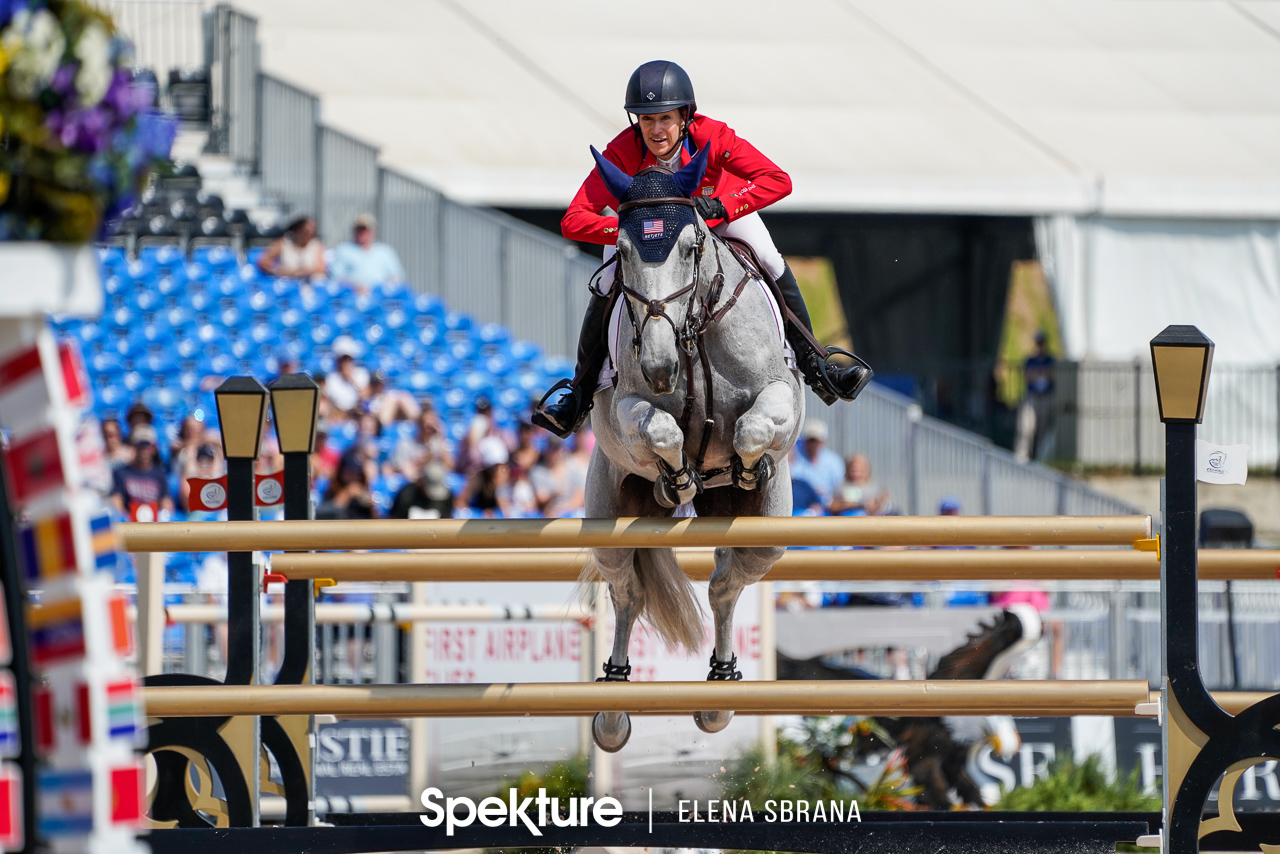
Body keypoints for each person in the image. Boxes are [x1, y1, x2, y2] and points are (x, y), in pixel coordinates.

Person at [533, 60, 871, 437]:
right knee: (608, 277)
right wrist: (635, 228)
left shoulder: (714, 137)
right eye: (647, 121)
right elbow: (574, 219)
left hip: (717, 215)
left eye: (664, 118)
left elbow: (777, 179)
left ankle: (815, 362)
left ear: (684, 116)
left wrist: (725, 206)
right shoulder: (622, 151)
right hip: (648, 237)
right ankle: (580, 392)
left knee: (769, 258)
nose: (656, 130)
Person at [110, 424, 174, 519]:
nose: (143, 449)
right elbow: (116, 501)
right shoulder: (120, 473)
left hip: (154, 524)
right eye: (140, 444)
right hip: (130, 524)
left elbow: (166, 503)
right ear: (133, 446)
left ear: (153, 448)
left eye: (147, 445)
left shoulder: (159, 475)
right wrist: (126, 520)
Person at [330, 213, 405, 292]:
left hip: (381, 296)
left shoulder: (385, 251)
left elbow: (396, 276)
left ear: (373, 231)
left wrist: (383, 288)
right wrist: (356, 287)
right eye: (358, 229)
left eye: (365, 229)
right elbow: (337, 277)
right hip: (351, 295)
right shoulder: (343, 250)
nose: (361, 233)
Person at [1015, 330, 1057, 462]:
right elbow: (1028, 375)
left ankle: (1041, 458)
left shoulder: (1050, 359)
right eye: (1038, 343)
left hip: (1046, 398)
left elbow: (1052, 375)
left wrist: (1040, 374)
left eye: (1042, 342)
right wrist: (1042, 374)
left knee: (1044, 430)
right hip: (1032, 397)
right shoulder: (1030, 360)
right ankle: (1021, 458)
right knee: (1026, 428)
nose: (1040, 345)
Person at [788, 420, 845, 509]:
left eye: (816, 441)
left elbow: (839, 488)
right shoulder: (796, 459)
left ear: (824, 441)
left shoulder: (834, 462)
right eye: (811, 440)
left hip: (828, 508)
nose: (813, 444)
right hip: (803, 507)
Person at [257, 215, 326, 281]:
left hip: (310, 286)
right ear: (297, 231)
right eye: (306, 232)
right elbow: (263, 261)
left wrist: (301, 271)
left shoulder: (316, 245)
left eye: (312, 233)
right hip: (287, 284)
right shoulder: (284, 243)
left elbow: (320, 269)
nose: (309, 236)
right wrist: (277, 270)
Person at [389, 460, 454, 520]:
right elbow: (395, 521)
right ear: (422, 482)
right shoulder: (407, 495)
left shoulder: (446, 497)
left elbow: (447, 519)